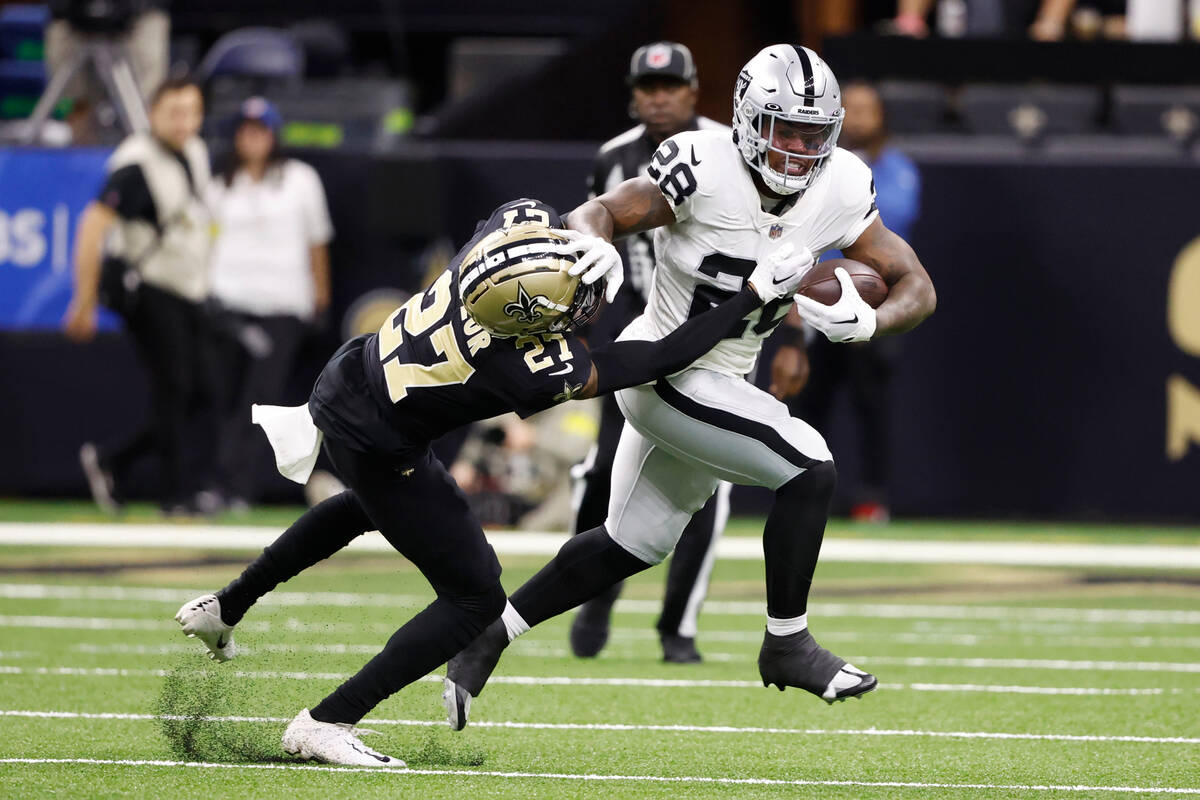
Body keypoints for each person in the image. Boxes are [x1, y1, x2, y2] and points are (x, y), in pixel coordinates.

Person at [174, 197, 815, 767]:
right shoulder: (524, 365)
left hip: (351, 379)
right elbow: (655, 358)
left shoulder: (510, 232)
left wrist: (590, 240)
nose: (585, 309)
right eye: (570, 306)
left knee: (367, 505)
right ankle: (329, 721)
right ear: (529, 320)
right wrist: (751, 297)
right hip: (379, 438)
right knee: (475, 597)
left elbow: (557, 224)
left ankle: (226, 606)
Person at [443, 45, 937, 729]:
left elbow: (917, 284)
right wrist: (593, 243)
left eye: (812, 134)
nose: (797, 150)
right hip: (663, 367)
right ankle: (787, 643)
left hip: (725, 376)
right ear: (744, 119)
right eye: (783, 130)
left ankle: (487, 637)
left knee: (627, 544)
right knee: (810, 466)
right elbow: (602, 210)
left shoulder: (845, 184)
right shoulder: (701, 164)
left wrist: (871, 321)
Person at [571, 41, 733, 665]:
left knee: (708, 480)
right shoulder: (613, 158)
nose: (658, 96)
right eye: (647, 86)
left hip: (714, 334)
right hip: (634, 333)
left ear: (693, 91)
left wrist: (792, 331)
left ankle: (678, 627)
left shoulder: (729, 147)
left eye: (669, 87)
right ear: (633, 93)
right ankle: (593, 592)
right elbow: (587, 237)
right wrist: (576, 325)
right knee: (604, 467)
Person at [63, 76, 212, 515]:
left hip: (188, 288)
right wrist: (83, 299)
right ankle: (174, 496)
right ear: (153, 114)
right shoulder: (134, 163)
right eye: (174, 113)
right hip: (148, 288)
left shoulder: (197, 151)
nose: (184, 122)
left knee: (198, 390)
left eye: (192, 112)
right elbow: (92, 225)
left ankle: (113, 462)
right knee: (176, 388)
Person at [786, 81, 922, 523]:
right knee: (810, 402)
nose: (861, 118)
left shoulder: (897, 169)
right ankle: (803, 487)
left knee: (871, 405)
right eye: (853, 109)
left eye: (869, 109)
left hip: (872, 300)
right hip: (818, 302)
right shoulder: (819, 166)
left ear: (882, 115)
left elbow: (890, 222)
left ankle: (872, 497)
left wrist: (867, 309)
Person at [205, 97, 333, 510]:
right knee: (224, 398)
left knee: (260, 401)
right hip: (227, 305)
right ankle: (219, 485)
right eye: (246, 131)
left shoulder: (301, 180)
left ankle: (238, 488)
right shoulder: (220, 184)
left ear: (274, 136)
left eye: (261, 131)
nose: (253, 139)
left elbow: (317, 242)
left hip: (282, 305)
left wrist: (321, 294)